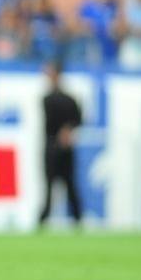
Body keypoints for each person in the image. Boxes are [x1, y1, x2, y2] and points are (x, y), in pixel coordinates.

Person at [38, 61, 83, 227]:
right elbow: (77, 119)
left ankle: (76, 217)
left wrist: (67, 130)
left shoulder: (52, 99)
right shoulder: (57, 99)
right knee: (55, 184)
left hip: (57, 148)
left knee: (67, 183)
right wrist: (68, 129)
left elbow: (77, 120)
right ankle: (49, 216)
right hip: (56, 146)